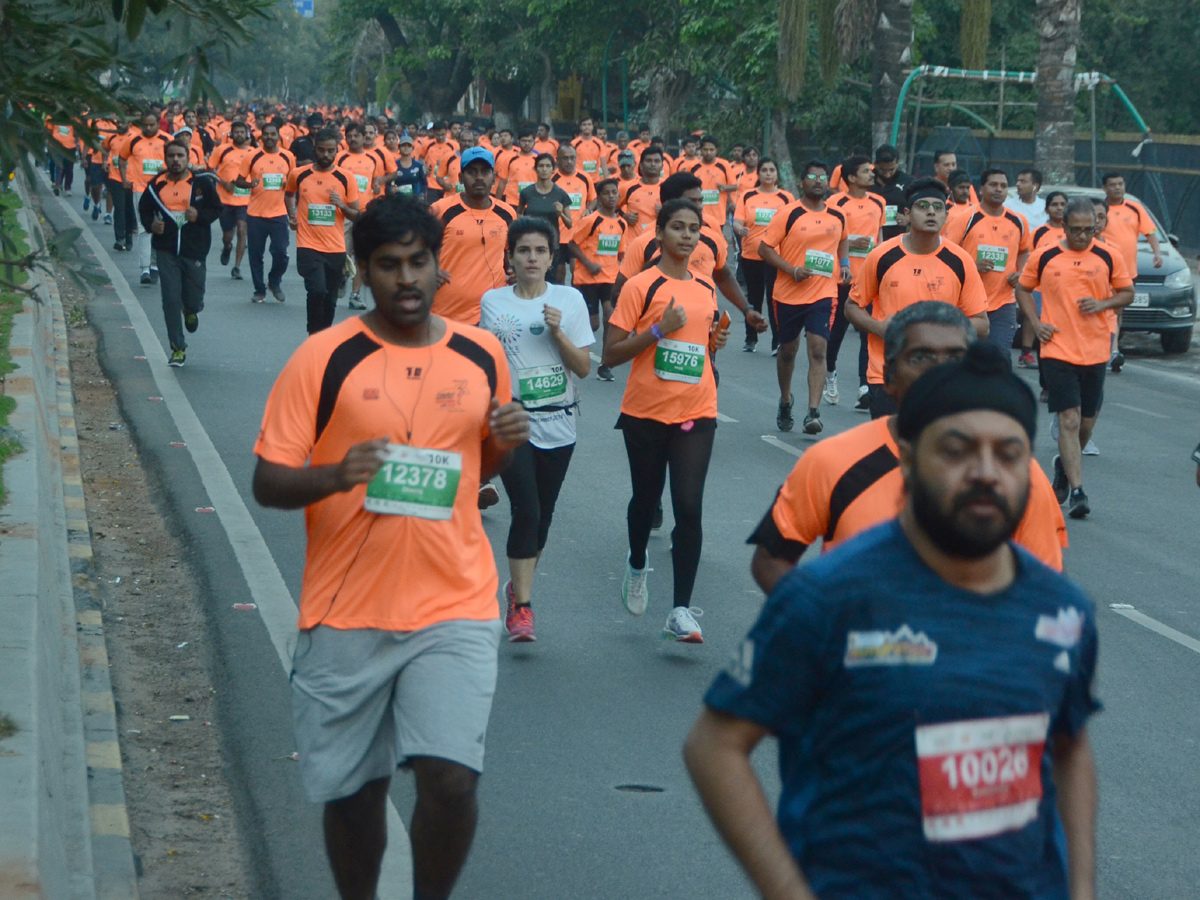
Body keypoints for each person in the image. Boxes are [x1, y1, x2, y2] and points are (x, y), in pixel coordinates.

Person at [686, 340, 1100, 900]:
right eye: (956, 450)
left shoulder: (1062, 609)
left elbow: (1070, 750)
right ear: (908, 458)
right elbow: (715, 747)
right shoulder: (826, 597)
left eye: (1008, 454)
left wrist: (1079, 888)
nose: (984, 472)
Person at [252, 193, 530, 900]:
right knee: (353, 793)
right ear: (363, 272)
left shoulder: (482, 353)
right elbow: (268, 481)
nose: (406, 279)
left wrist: (502, 444)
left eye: (418, 263)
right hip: (347, 609)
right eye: (388, 266)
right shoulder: (324, 359)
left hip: (455, 603)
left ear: (440, 268)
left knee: (450, 780)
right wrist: (335, 474)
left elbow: (478, 471)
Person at [748, 301, 1067, 595]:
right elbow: (771, 560)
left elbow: (1043, 591)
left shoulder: (1020, 476)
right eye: (921, 357)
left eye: (955, 358)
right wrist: (825, 624)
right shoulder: (832, 461)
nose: (940, 371)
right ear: (888, 376)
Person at [603, 199, 731, 643]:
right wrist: (659, 329)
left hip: (697, 409)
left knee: (689, 506)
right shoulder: (641, 286)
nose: (688, 236)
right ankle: (637, 563)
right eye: (678, 227)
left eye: (694, 228)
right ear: (658, 234)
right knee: (646, 498)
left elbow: (701, 347)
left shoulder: (705, 287)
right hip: (646, 412)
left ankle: (680, 610)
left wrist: (715, 339)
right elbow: (611, 353)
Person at [480, 217, 593, 643]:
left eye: (540, 251)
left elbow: (582, 366)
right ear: (510, 256)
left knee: (542, 517)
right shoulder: (492, 302)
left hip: (560, 421)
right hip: (513, 422)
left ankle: (517, 587)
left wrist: (557, 330)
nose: (531, 258)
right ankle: (523, 608)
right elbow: (484, 363)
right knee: (525, 509)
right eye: (523, 250)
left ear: (552, 258)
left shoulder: (570, 300)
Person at [1016, 197, 1134, 519]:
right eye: (1076, 230)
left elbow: (1127, 292)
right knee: (1068, 419)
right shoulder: (1046, 256)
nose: (1083, 237)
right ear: (1064, 227)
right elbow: (1023, 288)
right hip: (1056, 348)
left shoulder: (1108, 255)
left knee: (1086, 425)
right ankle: (1079, 493)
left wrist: (1103, 304)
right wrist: (1037, 323)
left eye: (1088, 230)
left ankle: (1064, 469)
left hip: (1095, 349)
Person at [846, 177, 989, 419]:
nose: (931, 212)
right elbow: (852, 307)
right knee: (892, 451)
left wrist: (939, 332)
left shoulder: (960, 260)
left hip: (940, 376)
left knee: (929, 453)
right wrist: (879, 327)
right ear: (907, 214)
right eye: (922, 206)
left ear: (946, 215)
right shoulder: (882, 256)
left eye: (938, 207)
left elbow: (982, 324)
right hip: (888, 373)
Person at [758, 160, 849, 435]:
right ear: (801, 182)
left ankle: (813, 412)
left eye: (823, 177)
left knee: (818, 349)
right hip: (787, 293)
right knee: (788, 350)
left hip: (824, 292)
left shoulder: (838, 214)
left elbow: (843, 238)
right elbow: (764, 249)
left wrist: (844, 263)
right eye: (812, 176)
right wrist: (792, 270)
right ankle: (786, 400)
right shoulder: (788, 214)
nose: (818, 181)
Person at [138, 141, 222, 368]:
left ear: (188, 158)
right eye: (172, 156)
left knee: (192, 297)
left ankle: (192, 311)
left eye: (180, 156)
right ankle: (177, 347)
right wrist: (151, 225)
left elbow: (216, 209)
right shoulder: (156, 185)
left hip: (194, 249)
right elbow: (144, 209)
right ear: (165, 159)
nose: (176, 160)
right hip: (166, 251)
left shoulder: (201, 183)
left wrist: (200, 216)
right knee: (170, 299)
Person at [943, 168, 1032, 355]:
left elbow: (1024, 251)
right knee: (963, 358)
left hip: (1003, 303)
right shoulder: (965, 219)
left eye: (1003, 186)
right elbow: (945, 255)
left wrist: (1020, 271)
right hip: (966, 303)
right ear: (981, 189)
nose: (998, 189)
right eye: (993, 185)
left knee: (1000, 358)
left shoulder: (1018, 221)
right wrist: (972, 266)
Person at [284, 129, 361, 334]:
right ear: (314, 149)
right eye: (321, 150)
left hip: (335, 248)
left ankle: (323, 336)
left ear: (337, 150)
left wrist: (342, 207)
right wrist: (292, 215)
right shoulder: (299, 174)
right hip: (308, 245)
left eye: (330, 151)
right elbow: (289, 194)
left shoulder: (346, 178)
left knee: (330, 298)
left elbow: (357, 214)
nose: (325, 155)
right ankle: (313, 333)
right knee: (317, 290)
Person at [825, 155, 886, 405]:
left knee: (867, 332)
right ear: (851, 177)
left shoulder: (879, 202)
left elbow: (879, 238)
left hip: (868, 278)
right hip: (842, 277)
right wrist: (850, 244)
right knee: (836, 331)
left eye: (871, 171)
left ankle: (865, 386)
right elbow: (826, 238)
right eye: (866, 171)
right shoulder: (835, 202)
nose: (872, 175)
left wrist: (882, 266)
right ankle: (829, 373)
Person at [567, 177, 628, 378]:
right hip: (588, 279)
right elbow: (572, 244)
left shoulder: (621, 223)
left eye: (614, 192)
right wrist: (588, 263)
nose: (611, 196)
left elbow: (620, 252)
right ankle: (567, 346)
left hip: (610, 278)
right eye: (606, 193)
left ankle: (605, 365)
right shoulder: (591, 220)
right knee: (593, 324)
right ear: (599, 198)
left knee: (610, 318)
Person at [1101, 172, 1161, 373]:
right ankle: (1109, 350)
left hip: (1127, 271)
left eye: (1120, 184)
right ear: (1104, 188)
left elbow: (1150, 232)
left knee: (1117, 311)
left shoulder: (1134, 208)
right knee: (1105, 309)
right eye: (1112, 185)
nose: (1117, 188)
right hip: (1103, 270)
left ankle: (1112, 349)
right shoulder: (1100, 210)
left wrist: (1157, 254)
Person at [733, 157, 793, 353]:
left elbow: (792, 226)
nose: (768, 173)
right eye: (764, 170)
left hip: (775, 255)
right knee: (754, 297)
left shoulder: (786, 198)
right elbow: (737, 221)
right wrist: (739, 229)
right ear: (758, 174)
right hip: (751, 254)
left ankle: (777, 341)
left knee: (774, 299)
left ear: (777, 174)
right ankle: (751, 338)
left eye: (772, 170)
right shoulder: (748, 196)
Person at [240, 121, 296, 304]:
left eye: (273, 134)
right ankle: (259, 290)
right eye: (266, 134)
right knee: (256, 255)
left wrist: (293, 212)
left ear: (279, 136)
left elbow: (293, 184)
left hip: (279, 214)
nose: (270, 137)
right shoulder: (252, 156)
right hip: (256, 214)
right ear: (261, 136)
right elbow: (238, 181)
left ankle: (274, 281)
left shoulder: (288, 157)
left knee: (281, 252)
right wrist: (249, 184)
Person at [337, 123, 391, 309]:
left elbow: (375, 182)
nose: (352, 139)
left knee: (361, 256)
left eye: (356, 135)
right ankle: (342, 278)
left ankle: (355, 295)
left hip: (364, 214)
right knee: (342, 255)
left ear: (363, 137)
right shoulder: (340, 158)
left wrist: (377, 190)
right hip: (343, 213)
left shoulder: (372, 159)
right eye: (349, 136)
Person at [121, 111, 172, 284]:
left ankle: (155, 264)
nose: (149, 128)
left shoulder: (167, 141)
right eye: (145, 125)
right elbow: (122, 158)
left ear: (158, 124)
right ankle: (144, 269)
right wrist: (125, 179)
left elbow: (177, 162)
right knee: (144, 228)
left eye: (152, 125)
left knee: (160, 226)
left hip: (163, 190)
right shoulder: (133, 140)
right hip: (140, 189)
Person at [1019, 190, 1069, 369]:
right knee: (1034, 316)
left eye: (1063, 205)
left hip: (1064, 287)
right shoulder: (1039, 232)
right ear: (1047, 209)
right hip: (1040, 286)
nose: (1059, 208)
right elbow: (1028, 256)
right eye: (1055, 205)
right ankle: (1026, 352)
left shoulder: (1071, 233)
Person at [516, 153, 573, 277]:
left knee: (549, 280)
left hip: (551, 245)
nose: (544, 169)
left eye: (548, 166)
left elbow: (570, 224)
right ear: (535, 169)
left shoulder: (560, 194)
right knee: (529, 278)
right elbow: (519, 213)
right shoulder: (527, 192)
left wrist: (561, 214)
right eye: (541, 166)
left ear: (553, 169)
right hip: (530, 243)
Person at [678, 136, 737, 231]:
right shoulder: (693, 167)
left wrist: (725, 187)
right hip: (697, 215)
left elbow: (735, 186)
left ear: (716, 150)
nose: (708, 152)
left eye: (711, 149)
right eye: (705, 149)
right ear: (700, 150)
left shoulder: (724, 165)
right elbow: (685, 188)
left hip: (718, 217)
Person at [105, 119, 136, 251]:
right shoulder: (111, 137)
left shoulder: (134, 138)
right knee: (119, 207)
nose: (120, 125)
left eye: (123, 123)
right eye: (118, 123)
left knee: (129, 208)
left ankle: (128, 235)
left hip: (131, 178)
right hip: (115, 177)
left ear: (129, 124)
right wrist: (105, 161)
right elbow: (105, 149)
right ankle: (120, 238)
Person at [619, 146, 664, 234]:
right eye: (649, 161)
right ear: (641, 165)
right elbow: (609, 207)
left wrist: (665, 211)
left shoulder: (668, 188)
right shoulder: (628, 188)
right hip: (633, 243)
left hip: (657, 242)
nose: (653, 164)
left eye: (656, 161)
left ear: (662, 166)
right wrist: (624, 216)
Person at [422, 121, 459, 203]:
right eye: (438, 135)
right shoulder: (428, 145)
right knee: (432, 210)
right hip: (432, 184)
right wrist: (424, 166)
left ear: (447, 132)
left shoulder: (454, 145)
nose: (441, 137)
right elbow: (421, 156)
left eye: (443, 134)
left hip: (448, 185)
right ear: (433, 133)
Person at [501, 130, 538, 205]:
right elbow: (502, 182)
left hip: (533, 202)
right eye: (524, 141)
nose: (527, 144)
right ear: (518, 142)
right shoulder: (509, 159)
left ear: (534, 142)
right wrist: (497, 202)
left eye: (530, 141)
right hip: (513, 201)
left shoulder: (538, 160)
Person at [389, 132, 426, 200]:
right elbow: (388, 183)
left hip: (415, 201)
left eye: (409, 146)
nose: (406, 148)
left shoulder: (419, 165)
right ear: (399, 148)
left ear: (412, 148)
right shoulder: (394, 165)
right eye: (403, 145)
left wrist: (422, 195)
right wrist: (391, 191)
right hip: (398, 201)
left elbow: (424, 183)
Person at [571, 116, 606, 180]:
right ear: (580, 127)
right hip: (579, 179)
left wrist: (607, 179)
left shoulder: (599, 143)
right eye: (584, 125)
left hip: (595, 180)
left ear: (593, 127)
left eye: (589, 124)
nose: (587, 127)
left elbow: (603, 163)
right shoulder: (574, 143)